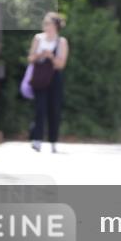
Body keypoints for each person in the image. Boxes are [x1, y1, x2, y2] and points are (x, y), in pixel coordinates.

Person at [27, 12, 69, 153]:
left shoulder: (61, 41)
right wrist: (40, 55)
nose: (46, 27)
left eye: (49, 24)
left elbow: (61, 64)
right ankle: (37, 139)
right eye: (45, 24)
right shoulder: (38, 38)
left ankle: (53, 141)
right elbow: (31, 58)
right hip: (40, 77)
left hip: (54, 77)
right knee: (40, 108)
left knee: (54, 109)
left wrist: (51, 56)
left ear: (56, 26)